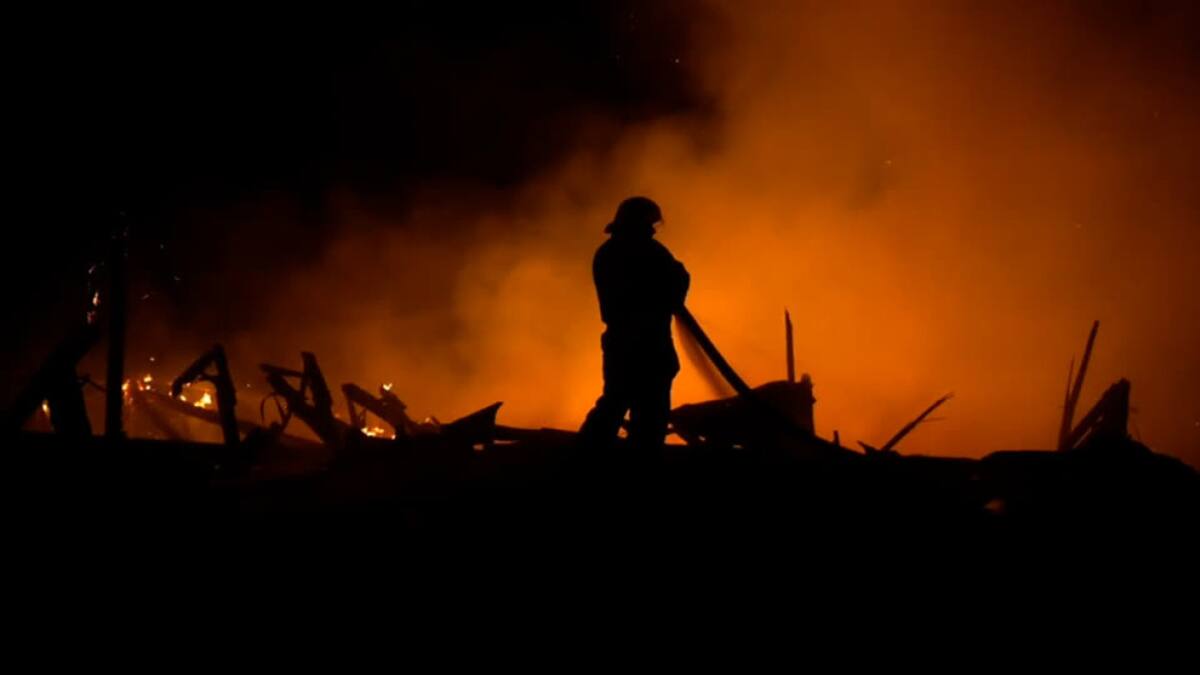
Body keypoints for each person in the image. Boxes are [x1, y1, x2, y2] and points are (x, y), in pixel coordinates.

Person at [578, 196, 689, 452]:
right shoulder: (649, 252)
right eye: (649, 223)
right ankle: (637, 463)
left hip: (621, 341)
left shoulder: (606, 253)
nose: (652, 230)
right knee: (650, 411)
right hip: (650, 343)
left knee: (615, 401)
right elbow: (678, 280)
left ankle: (584, 455)